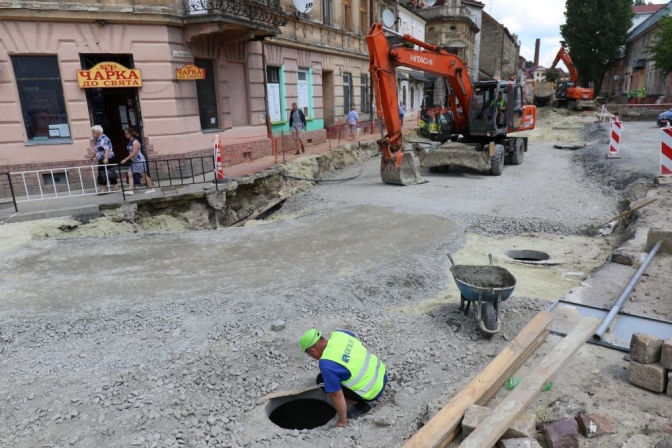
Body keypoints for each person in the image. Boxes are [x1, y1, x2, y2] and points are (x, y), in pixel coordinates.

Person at [299, 328, 387, 427]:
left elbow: (337, 395)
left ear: (312, 351)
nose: (311, 357)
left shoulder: (326, 363)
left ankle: (361, 406)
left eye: (309, 354)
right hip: (382, 375)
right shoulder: (340, 334)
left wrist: (342, 421)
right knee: (338, 372)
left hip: (371, 392)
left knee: (321, 380)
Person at [120, 127, 155, 195]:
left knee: (143, 175)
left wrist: (126, 159)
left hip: (139, 160)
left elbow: (134, 152)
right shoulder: (130, 141)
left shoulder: (135, 142)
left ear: (130, 133)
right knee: (130, 173)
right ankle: (130, 189)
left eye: (126, 133)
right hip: (135, 161)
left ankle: (151, 188)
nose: (125, 135)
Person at [90, 125, 118, 194]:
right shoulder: (98, 139)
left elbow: (107, 149)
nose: (92, 134)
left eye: (93, 132)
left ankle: (105, 187)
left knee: (104, 173)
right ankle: (113, 186)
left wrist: (106, 158)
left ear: (97, 132)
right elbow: (98, 149)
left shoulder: (103, 139)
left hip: (107, 158)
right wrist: (93, 156)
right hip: (102, 158)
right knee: (107, 172)